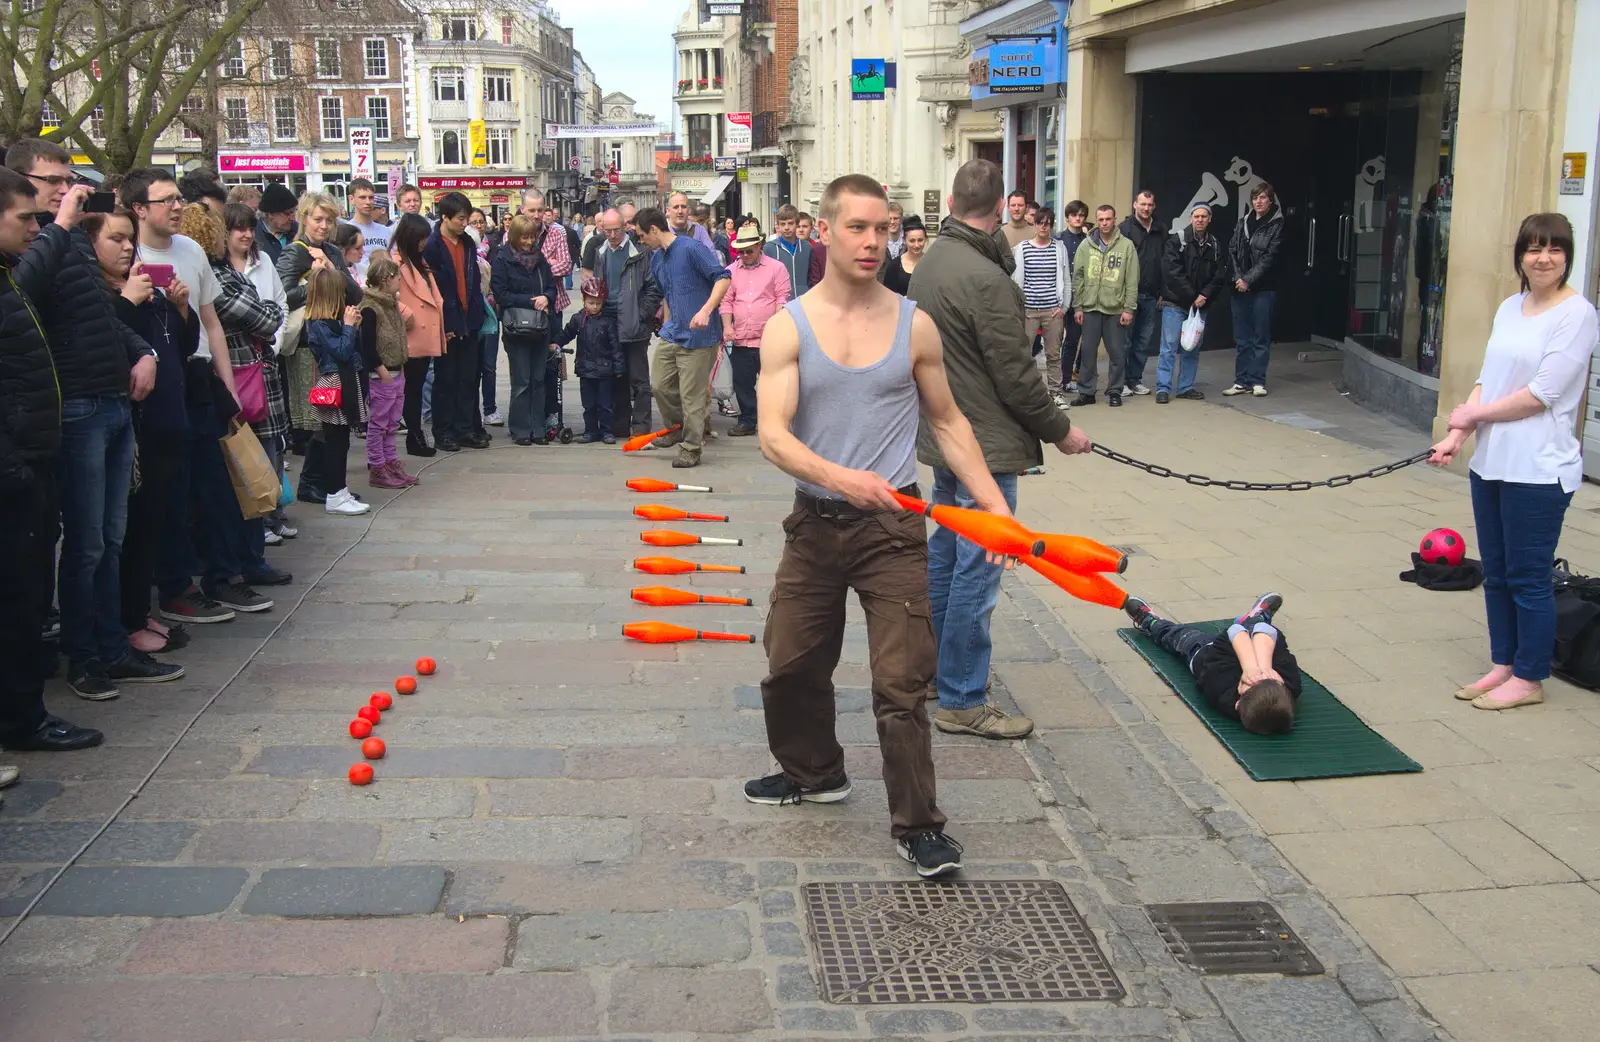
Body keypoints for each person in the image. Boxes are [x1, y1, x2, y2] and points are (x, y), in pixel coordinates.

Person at [751, 173, 1015, 877]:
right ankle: (814, 773)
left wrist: (994, 508)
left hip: (892, 529)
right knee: (790, 664)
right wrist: (840, 478)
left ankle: (919, 825)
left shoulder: (912, 321)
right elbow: (772, 436)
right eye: (858, 228)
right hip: (815, 524)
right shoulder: (790, 325)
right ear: (826, 230)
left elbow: (949, 421)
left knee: (901, 683)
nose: (873, 242)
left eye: (883, 229)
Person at [908, 158, 1089, 740]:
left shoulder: (931, 260)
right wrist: (1061, 430)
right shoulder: (988, 281)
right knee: (978, 569)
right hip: (983, 442)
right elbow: (1016, 376)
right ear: (996, 215)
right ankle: (963, 696)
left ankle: (937, 672)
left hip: (943, 433)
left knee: (946, 556)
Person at [17, 153, 188, 698]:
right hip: (78, 408)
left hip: (114, 402)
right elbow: (21, 299)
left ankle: (112, 648)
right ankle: (85, 656)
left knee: (112, 538)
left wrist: (145, 353)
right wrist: (64, 225)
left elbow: (103, 316)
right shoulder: (42, 244)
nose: (67, 189)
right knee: (87, 543)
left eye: (71, 180)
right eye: (56, 181)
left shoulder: (67, 249)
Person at [1431, 212, 1600, 711]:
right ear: (1520, 256)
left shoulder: (1577, 314)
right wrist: (1458, 434)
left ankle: (1529, 677)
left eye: (1554, 249)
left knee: (1529, 578)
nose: (1543, 259)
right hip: (1493, 465)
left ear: (1567, 256)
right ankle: (1503, 663)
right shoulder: (1510, 306)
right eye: (1533, 249)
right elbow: (1490, 378)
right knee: (1498, 574)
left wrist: (1474, 413)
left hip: (1539, 469)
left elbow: (1541, 394)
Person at [0, 167, 102, 751]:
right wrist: (14, 465)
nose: (34, 227)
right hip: (14, 468)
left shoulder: (10, 274)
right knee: (17, 601)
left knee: (27, 598)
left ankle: (22, 714)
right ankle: (21, 720)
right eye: (24, 219)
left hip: (31, 459)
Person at [88, 208, 197, 655]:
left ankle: (138, 611)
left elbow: (180, 348)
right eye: (116, 239)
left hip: (167, 423)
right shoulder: (99, 296)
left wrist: (181, 310)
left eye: (129, 239)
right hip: (132, 430)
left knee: (152, 525)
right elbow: (107, 347)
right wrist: (128, 303)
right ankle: (126, 620)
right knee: (126, 533)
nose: (128, 247)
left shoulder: (144, 293)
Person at [208, 204, 293, 591]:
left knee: (265, 469)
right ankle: (242, 562)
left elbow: (275, 310)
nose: (244, 235)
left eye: (247, 229)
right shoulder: (217, 274)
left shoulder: (249, 267)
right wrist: (267, 310)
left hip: (262, 377)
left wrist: (267, 310)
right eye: (236, 229)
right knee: (244, 474)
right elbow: (264, 316)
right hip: (241, 382)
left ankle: (255, 556)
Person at [276, 191, 362, 502]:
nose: (324, 226)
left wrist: (333, 270)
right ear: (304, 219)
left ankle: (318, 481)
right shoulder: (293, 253)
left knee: (330, 418)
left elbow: (354, 294)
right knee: (321, 418)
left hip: (337, 338)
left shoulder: (333, 252)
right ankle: (313, 482)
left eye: (329, 220)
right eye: (318, 219)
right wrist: (314, 279)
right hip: (308, 345)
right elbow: (282, 297)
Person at [1123, 593, 1299, 735]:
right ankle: (1256, 619)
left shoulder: (1220, 688)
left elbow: (1233, 632)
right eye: (1267, 678)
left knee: (1178, 636)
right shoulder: (1289, 684)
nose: (1260, 676)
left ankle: (1151, 622)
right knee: (1259, 627)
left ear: (1237, 703)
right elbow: (1274, 637)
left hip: (1206, 651)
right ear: (1280, 683)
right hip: (1243, 648)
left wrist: (1250, 667)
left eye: (1253, 681)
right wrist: (1264, 665)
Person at [640, 206, 731, 468]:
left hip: (700, 337)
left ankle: (691, 447)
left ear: (655, 230)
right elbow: (669, 294)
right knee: (659, 385)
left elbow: (723, 278)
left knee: (691, 395)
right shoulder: (657, 259)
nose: (641, 241)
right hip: (673, 332)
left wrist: (706, 310)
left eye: (642, 235)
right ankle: (676, 428)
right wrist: (667, 323)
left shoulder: (691, 248)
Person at [421, 192, 488, 453]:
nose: (464, 224)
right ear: (445, 217)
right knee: (445, 380)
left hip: (469, 319)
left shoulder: (468, 244)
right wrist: (443, 323)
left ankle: (465, 429)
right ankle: (443, 431)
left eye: (467, 219)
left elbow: (472, 281)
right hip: (446, 322)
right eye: (460, 219)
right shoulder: (433, 246)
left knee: (468, 378)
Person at [303, 268, 371, 516]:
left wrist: (351, 326)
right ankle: (335, 494)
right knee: (335, 442)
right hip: (334, 384)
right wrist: (350, 327)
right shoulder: (320, 323)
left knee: (341, 442)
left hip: (346, 381)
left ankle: (339, 491)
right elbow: (341, 351)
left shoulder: (332, 321)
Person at [590, 208, 662, 438]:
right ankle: (620, 425)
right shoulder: (600, 251)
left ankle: (641, 426)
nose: (611, 235)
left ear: (624, 227)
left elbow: (654, 288)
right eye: (607, 230)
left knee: (639, 379)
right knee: (616, 375)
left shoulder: (640, 252)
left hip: (634, 324)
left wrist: (641, 314)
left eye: (616, 230)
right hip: (608, 321)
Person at [490, 214, 557, 446]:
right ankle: (520, 428)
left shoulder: (540, 259)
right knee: (522, 380)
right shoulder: (502, 259)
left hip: (540, 326)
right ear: (515, 237)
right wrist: (530, 300)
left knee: (538, 379)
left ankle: (538, 428)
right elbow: (501, 294)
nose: (529, 242)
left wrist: (547, 298)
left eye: (532, 237)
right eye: (525, 238)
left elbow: (551, 286)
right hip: (516, 327)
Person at [719, 222, 791, 437]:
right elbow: (726, 301)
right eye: (741, 251)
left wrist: (777, 327)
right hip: (741, 337)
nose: (745, 255)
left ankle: (776, 423)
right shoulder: (730, 271)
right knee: (742, 382)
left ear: (760, 246)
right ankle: (748, 420)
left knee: (773, 383)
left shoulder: (776, 268)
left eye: (749, 250)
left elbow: (782, 299)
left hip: (767, 337)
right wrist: (727, 326)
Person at [1156, 203, 1226, 404]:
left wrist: (1204, 295)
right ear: (1191, 218)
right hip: (1175, 303)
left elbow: (1219, 274)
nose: (1200, 220)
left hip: (1199, 306)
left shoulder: (1213, 244)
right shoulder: (1177, 240)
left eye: (1204, 216)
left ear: (1209, 219)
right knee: (1168, 347)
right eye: (1197, 216)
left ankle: (1185, 388)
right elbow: (1171, 272)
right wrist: (1192, 296)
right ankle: (1163, 388)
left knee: (1192, 348)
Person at [1071, 204, 1139, 408]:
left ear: (1114, 219)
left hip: (1115, 309)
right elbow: (1078, 277)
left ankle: (1115, 391)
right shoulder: (1086, 245)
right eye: (1100, 220)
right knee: (1088, 353)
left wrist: (1128, 308)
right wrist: (1078, 306)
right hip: (1090, 308)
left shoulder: (1126, 246)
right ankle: (1086, 392)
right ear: (1096, 220)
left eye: (1108, 219)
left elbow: (1132, 279)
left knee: (1117, 353)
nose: (1104, 223)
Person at [358, 257, 418, 488]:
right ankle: (377, 466)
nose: (400, 282)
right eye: (397, 278)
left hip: (396, 371)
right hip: (382, 375)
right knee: (379, 423)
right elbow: (368, 346)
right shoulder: (371, 308)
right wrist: (382, 371)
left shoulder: (391, 304)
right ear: (385, 279)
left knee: (392, 422)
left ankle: (390, 461)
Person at [391, 214, 446, 457]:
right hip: (410, 334)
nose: (424, 242)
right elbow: (387, 296)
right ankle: (415, 436)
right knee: (410, 390)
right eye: (420, 238)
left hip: (423, 334)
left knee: (415, 387)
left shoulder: (419, 262)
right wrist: (406, 314)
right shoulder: (396, 263)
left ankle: (416, 436)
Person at [1225, 182, 1283, 397]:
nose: (1258, 201)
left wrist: (1248, 279)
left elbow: (1269, 258)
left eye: (1263, 198)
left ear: (1270, 200)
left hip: (1263, 288)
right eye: (1255, 198)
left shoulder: (1277, 225)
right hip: (1240, 288)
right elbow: (1232, 249)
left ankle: (1258, 380)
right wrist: (1239, 277)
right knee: (1242, 338)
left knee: (1260, 336)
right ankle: (1241, 381)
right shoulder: (1244, 222)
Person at [1012, 206, 1071, 408]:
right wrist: (1020, 309)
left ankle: (1056, 393)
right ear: (1035, 224)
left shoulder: (1059, 248)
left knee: (1053, 354)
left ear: (1052, 225)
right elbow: (1016, 281)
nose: (1044, 227)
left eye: (1048, 223)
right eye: (1040, 223)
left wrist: (1064, 307)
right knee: (1024, 354)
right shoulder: (1023, 248)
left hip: (1052, 311)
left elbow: (1066, 280)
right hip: (1028, 311)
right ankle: (1027, 393)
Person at [553, 275, 624, 444]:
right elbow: (567, 333)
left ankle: (606, 431)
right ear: (584, 300)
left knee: (605, 404)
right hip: (585, 369)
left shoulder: (608, 321)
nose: (594, 307)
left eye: (598, 303)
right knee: (589, 404)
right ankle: (591, 431)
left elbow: (616, 346)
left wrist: (619, 367)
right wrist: (556, 343)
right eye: (591, 303)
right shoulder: (578, 319)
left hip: (605, 370)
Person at [1118, 190, 1165, 397]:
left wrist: (1163, 290)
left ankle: (1134, 379)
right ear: (1134, 204)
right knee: (1124, 341)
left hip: (1151, 294)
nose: (1146, 208)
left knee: (1143, 341)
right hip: (1129, 295)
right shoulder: (1124, 229)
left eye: (1150, 205)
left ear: (1154, 206)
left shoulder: (1160, 229)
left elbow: (1166, 261)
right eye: (1143, 204)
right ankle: (1120, 382)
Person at [1058, 200, 1089, 393]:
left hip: (1083, 296)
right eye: (1074, 215)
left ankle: (1075, 376)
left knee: (1079, 339)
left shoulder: (1089, 239)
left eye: (1081, 215)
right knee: (1062, 341)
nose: (1078, 218)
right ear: (1068, 217)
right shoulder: (1059, 239)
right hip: (1062, 295)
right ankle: (1063, 378)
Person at [344, 178, 391, 284]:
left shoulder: (386, 231)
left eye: (371, 198)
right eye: (362, 197)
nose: (368, 202)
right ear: (351, 199)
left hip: (384, 285)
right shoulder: (346, 231)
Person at [763, 205, 815, 298]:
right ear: (778, 225)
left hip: (804, 302)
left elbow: (810, 276)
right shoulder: (769, 248)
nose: (786, 228)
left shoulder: (807, 247)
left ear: (797, 223)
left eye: (790, 223)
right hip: (780, 304)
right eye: (783, 224)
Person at [254, 182, 299, 266]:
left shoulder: (299, 231)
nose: (293, 218)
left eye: (294, 212)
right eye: (288, 213)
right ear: (271, 213)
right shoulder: (253, 235)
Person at [881, 215, 926, 296]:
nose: (916, 245)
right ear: (904, 240)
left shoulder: (932, 263)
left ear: (926, 239)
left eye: (920, 240)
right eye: (912, 241)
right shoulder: (895, 265)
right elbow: (887, 296)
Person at [666, 191, 717, 256]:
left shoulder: (699, 230)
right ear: (668, 211)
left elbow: (712, 257)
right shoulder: (660, 231)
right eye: (676, 207)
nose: (680, 211)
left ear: (689, 210)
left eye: (683, 207)